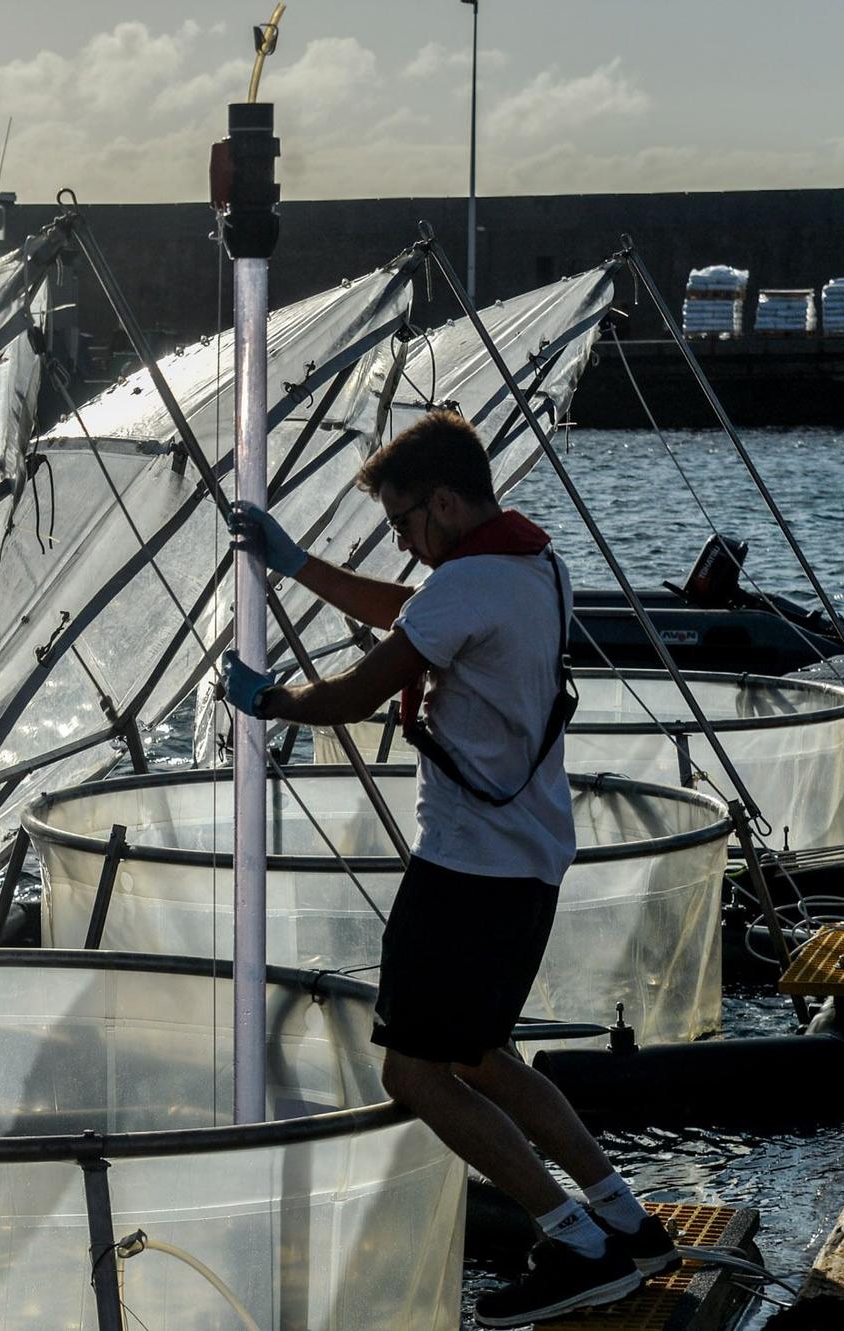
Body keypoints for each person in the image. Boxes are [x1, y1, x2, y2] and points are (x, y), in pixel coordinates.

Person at [220, 410, 676, 1328]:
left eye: (403, 524)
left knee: (416, 1075)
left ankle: (576, 1246)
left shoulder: (473, 584)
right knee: (484, 1058)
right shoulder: (530, 565)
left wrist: (270, 700)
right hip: (527, 863)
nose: (403, 542)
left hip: (467, 871)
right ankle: (630, 1222)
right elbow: (411, 613)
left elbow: (358, 689)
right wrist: (294, 562)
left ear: (446, 502)